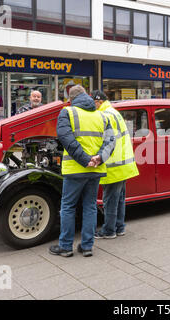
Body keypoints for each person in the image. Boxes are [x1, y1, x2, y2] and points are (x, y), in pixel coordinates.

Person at [49, 85, 116, 258]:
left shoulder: (67, 112)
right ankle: (87, 246)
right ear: (87, 96)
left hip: (75, 169)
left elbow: (66, 139)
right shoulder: (102, 115)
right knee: (90, 207)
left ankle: (65, 246)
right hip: (96, 169)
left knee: (68, 207)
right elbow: (111, 141)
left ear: (70, 100)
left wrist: (85, 160)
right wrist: (99, 158)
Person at [91, 90, 139, 239]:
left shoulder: (104, 115)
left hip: (113, 165)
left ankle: (109, 230)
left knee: (110, 200)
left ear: (98, 101)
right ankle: (119, 227)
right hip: (123, 164)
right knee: (119, 199)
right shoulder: (114, 112)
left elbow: (103, 140)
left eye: (93, 102)